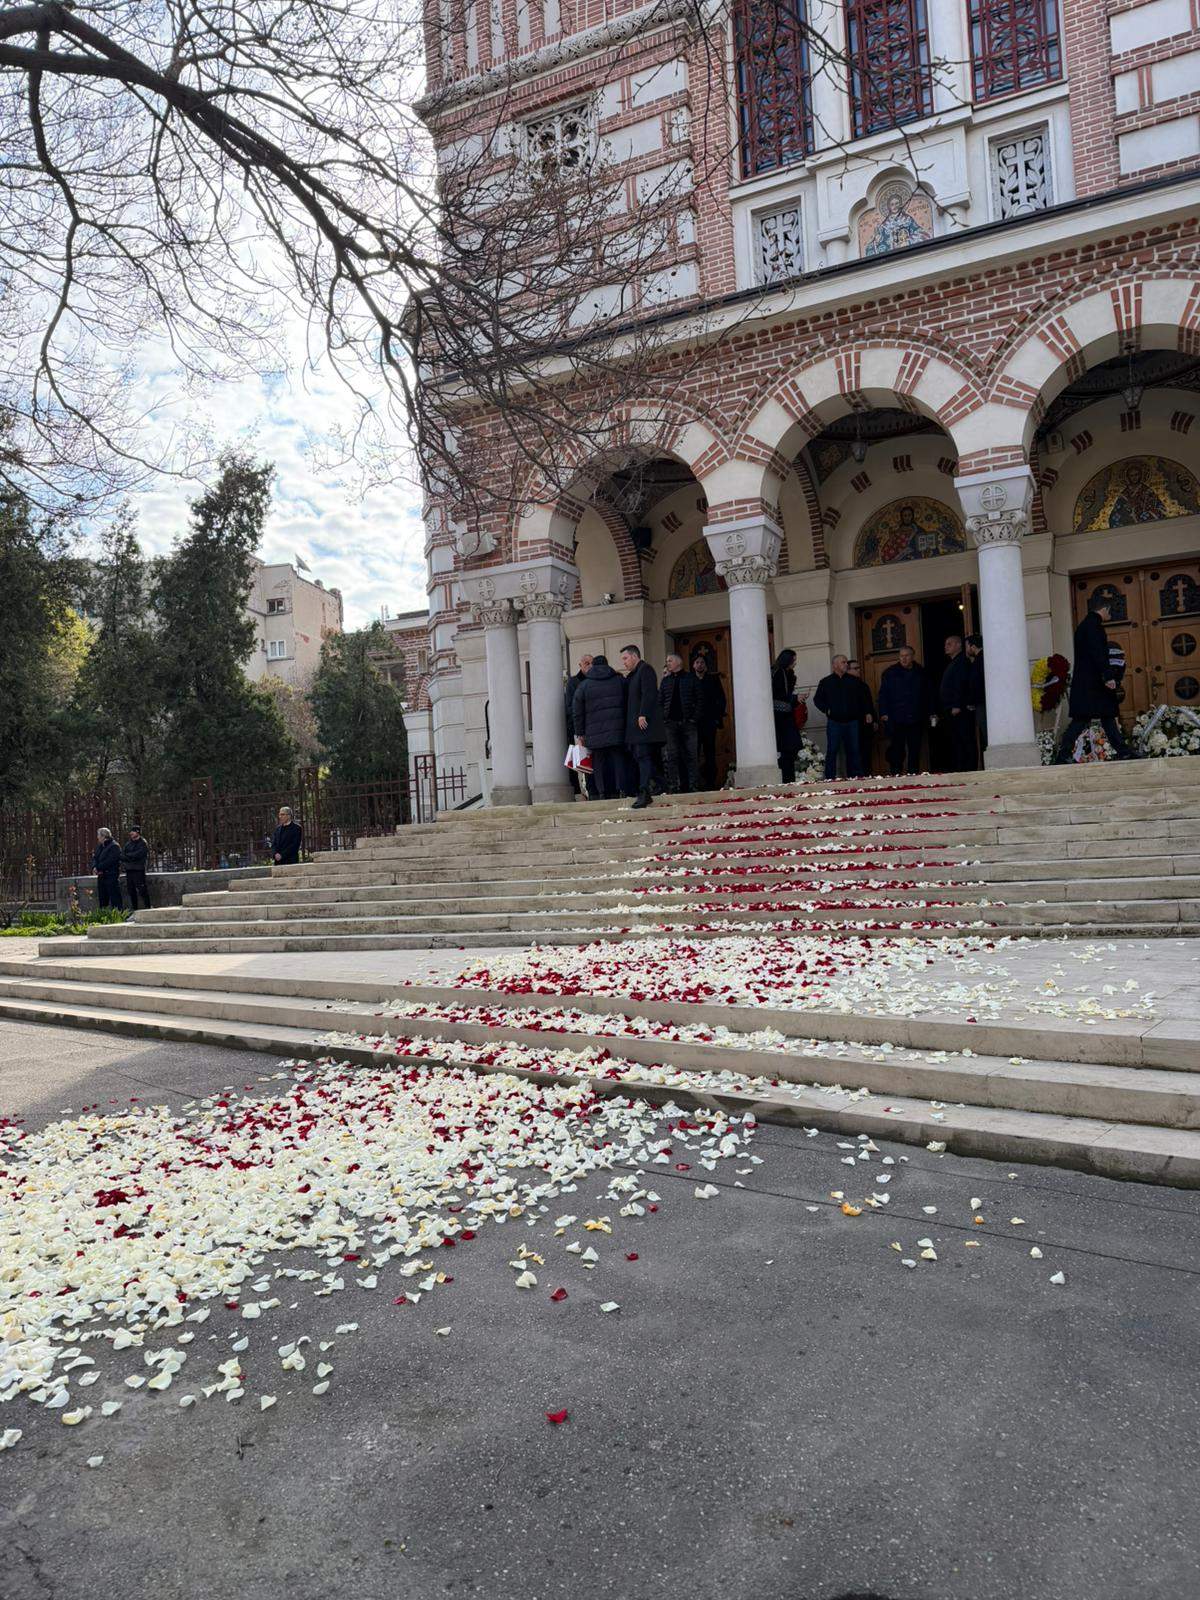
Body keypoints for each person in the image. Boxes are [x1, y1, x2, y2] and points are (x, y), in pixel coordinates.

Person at [1054, 600, 1137, 762]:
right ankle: (1063, 755)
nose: (1109, 616)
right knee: (1087, 719)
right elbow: (1098, 653)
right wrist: (1108, 676)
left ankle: (1122, 751)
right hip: (1094, 684)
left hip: (1088, 683)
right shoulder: (1094, 626)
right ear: (1104, 609)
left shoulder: (1085, 625)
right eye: (1109, 612)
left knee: (1102, 717)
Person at [572, 655, 628, 799]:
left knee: (599, 764)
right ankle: (620, 790)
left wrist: (580, 734)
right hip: (618, 731)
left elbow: (577, 712)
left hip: (594, 734)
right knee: (618, 761)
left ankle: (602, 792)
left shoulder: (584, 685)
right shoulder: (619, 681)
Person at [620, 645, 666, 809]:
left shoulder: (645, 670)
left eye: (625, 658)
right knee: (645, 758)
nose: (624, 662)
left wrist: (643, 714)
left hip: (644, 726)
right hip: (635, 729)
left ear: (634, 656)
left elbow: (649, 693)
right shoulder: (632, 675)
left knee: (644, 757)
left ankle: (644, 792)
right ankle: (661, 785)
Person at [877, 645, 931, 775]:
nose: (904, 658)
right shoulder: (890, 672)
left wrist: (931, 712)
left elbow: (928, 694)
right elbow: (883, 694)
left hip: (916, 717)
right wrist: (883, 712)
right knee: (897, 748)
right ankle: (896, 772)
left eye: (907, 655)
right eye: (901, 656)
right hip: (896, 718)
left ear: (913, 656)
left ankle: (913, 773)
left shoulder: (921, 672)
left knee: (915, 748)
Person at [813, 654, 863, 780]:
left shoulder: (853, 681)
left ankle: (855, 778)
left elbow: (862, 699)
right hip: (834, 722)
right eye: (843, 662)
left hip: (852, 722)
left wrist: (860, 712)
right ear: (834, 665)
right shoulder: (826, 682)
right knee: (832, 751)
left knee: (854, 751)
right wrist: (827, 710)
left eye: (846, 662)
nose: (846, 664)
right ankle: (830, 778)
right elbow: (817, 699)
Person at [658, 654, 699, 793]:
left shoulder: (691, 678)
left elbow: (700, 699)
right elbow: (660, 701)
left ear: (678, 663)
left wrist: (694, 718)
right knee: (672, 756)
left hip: (688, 723)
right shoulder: (665, 681)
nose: (667, 663)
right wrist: (663, 718)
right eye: (666, 661)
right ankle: (673, 787)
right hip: (670, 724)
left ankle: (693, 786)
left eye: (670, 661)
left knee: (691, 756)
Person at [939, 635, 976, 772]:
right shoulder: (954, 662)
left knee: (965, 739)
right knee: (957, 741)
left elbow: (960, 685)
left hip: (959, 709)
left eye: (949, 644)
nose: (946, 646)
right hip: (952, 708)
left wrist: (957, 705)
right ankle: (962, 768)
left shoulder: (961, 662)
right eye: (946, 644)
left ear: (959, 645)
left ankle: (969, 769)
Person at [691, 651, 727, 790]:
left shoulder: (713, 679)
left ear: (706, 665)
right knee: (694, 754)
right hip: (694, 724)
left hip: (709, 723)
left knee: (710, 753)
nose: (699, 665)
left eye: (702, 662)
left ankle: (711, 782)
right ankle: (695, 784)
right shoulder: (690, 680)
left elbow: (721, 699)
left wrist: (716, 717)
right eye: (697, 662)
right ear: (693, 665)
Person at [771, 648, 804, 783]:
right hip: (781, 718)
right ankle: (787, 780)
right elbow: (780, 695)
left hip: (785, 717)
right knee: (787, 750)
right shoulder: (779, 673)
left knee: (790, 750)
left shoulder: (786, 673)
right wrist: (795, 698)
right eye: (793, 660)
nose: (795, 663)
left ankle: (789, 779)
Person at [564, 652, 595, 799]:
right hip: (579, 728)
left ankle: (594, 790)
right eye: (587, 663)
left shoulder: (596, 680)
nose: (590, 666)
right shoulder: (573, 682)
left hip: (594, 727)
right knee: (582, 762)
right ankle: (583, 791)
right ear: (580, 665)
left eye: (591, 663)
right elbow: (570, 706)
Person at [847, 659, 876, 775]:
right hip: (852, 724)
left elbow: (869, 703)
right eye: (856, 668)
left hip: (865, 725)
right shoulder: (845, 685)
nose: (859, 670)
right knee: (853, 753)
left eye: (859, 668)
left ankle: (867, 775)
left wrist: (874, 719)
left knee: (866, 753)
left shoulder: (863, 685)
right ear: (848, 670)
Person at [966, 633, 987, 760]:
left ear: (972, 646)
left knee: (985, 733)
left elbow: (977, 683)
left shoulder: (980, 660)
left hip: (982, 703)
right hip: (981, 702)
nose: (966, 650)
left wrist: (972, 701)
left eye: (967, 646)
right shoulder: (981, 659)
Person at [92, 827, 123, 910]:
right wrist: (94, 866)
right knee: (102, 897)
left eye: (98, 835)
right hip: (101, 875)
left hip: (111, 875)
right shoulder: (100, 846)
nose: (97, 837)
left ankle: (118, 913)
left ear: (103, 836)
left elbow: (111, 861)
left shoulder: (114, 846)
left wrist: (98, 867)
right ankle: (103, 914)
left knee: (114, 896)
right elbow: (95, 857)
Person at [121, 825, 151, 910]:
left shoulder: (143, 843)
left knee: (142, 890)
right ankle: (135, 909)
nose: (131, 833)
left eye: (133, 831)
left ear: (137, 832)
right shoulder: (128, 843)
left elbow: (138, 855)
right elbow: (122, 855)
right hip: (129, 870)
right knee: (131, 891)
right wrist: (129, 857)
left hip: (138, 870)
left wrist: (129, 857)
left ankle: (147, 907)